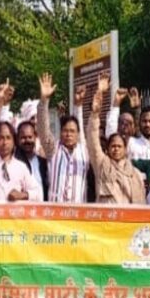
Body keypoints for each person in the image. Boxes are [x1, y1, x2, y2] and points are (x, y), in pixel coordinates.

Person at [88, 73, 146, 204]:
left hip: (129, 223)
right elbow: (92, 140)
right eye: (113, 146)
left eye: (119, 146)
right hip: (106, 222)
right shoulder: (101, 165)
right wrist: (95, 114)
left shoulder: (135, 174)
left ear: (125, 150)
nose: (116, 149)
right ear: (107, 149)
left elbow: (142, 205)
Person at [36, 73, 89, 203]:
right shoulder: (53, 149)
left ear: (78, 134)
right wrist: (44, 101)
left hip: (79, 215)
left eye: (72, 131)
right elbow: (43, 129)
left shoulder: (84, 150)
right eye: (65, 130)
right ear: (60, 132)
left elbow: (80, 123)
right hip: (56, 217)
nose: (69, 134)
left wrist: (78, 105)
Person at [15, 120, 51, 197]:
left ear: (35, 137)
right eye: (23, 138)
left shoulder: (44, 163)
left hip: (43, 207)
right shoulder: (14, 163)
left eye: (30, 137)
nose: (27, 140)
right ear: (17, 139)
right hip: (21, 208)